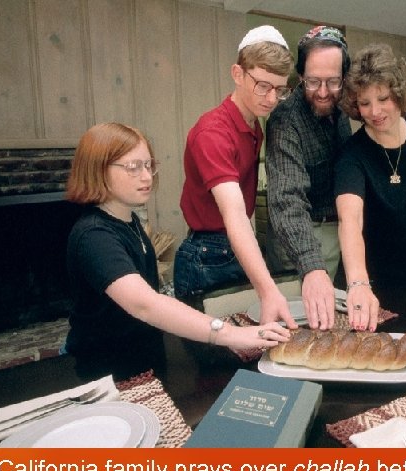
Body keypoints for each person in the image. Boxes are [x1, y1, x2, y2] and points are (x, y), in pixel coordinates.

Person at [65, 122, 289, 377]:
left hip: (139, 356)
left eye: (148, 165)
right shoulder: (94, 235)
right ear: (98, 170)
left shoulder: (128, 220)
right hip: (105, 368)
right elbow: (144, 304)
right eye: (133, 167)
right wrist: (230, 334)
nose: (147, 176)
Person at [174, 25, 297, 328]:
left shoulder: (254, 125)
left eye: (279, 89)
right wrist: (269, 291)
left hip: (233, 248)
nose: (271, 98)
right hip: (207, 257)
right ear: (237, 74)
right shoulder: (213, 132)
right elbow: (235, 215)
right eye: (262, 86)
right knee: (212, 361)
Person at [334, 44, 406, 331]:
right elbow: (350, 220)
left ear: (398, 94)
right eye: (364, 103)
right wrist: (359, 284)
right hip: (371, 282)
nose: (374, 111)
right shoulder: (353, 155)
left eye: (383, 98)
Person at [265, 26, 352, 330]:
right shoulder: (285, 119)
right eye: (313, 81)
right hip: (301, 240)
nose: (324, 92)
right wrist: (312, 266)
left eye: (333, 81)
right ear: (300, 75)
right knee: (301, 332)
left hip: (341, 234)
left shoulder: (343, 110)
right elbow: (286, 199)